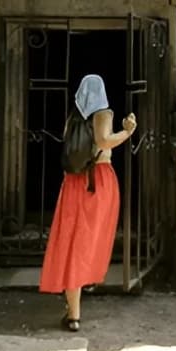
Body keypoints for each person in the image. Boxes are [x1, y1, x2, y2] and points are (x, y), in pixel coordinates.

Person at [39, 74, 137, 332]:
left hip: (72, 182)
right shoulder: (103, 113)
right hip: (98, 180)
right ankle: (83, 288)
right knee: (91, 239)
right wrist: (126, 132)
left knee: (73, 241)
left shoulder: (73, 116)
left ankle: (73, 312)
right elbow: (104, 141)